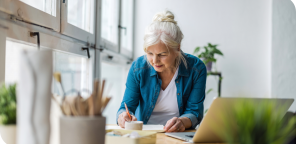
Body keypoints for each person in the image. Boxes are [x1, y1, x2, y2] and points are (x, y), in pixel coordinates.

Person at [116, 10, 207, 132]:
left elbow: (194, 112)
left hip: (177, 134)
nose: (155, 61)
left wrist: (182, 122)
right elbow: (125, 107)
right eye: (149, 53)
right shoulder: (138, 67)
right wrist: (123, 117)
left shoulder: (196, 69)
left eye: (162, 54)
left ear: (177, 48)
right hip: (144, 134)